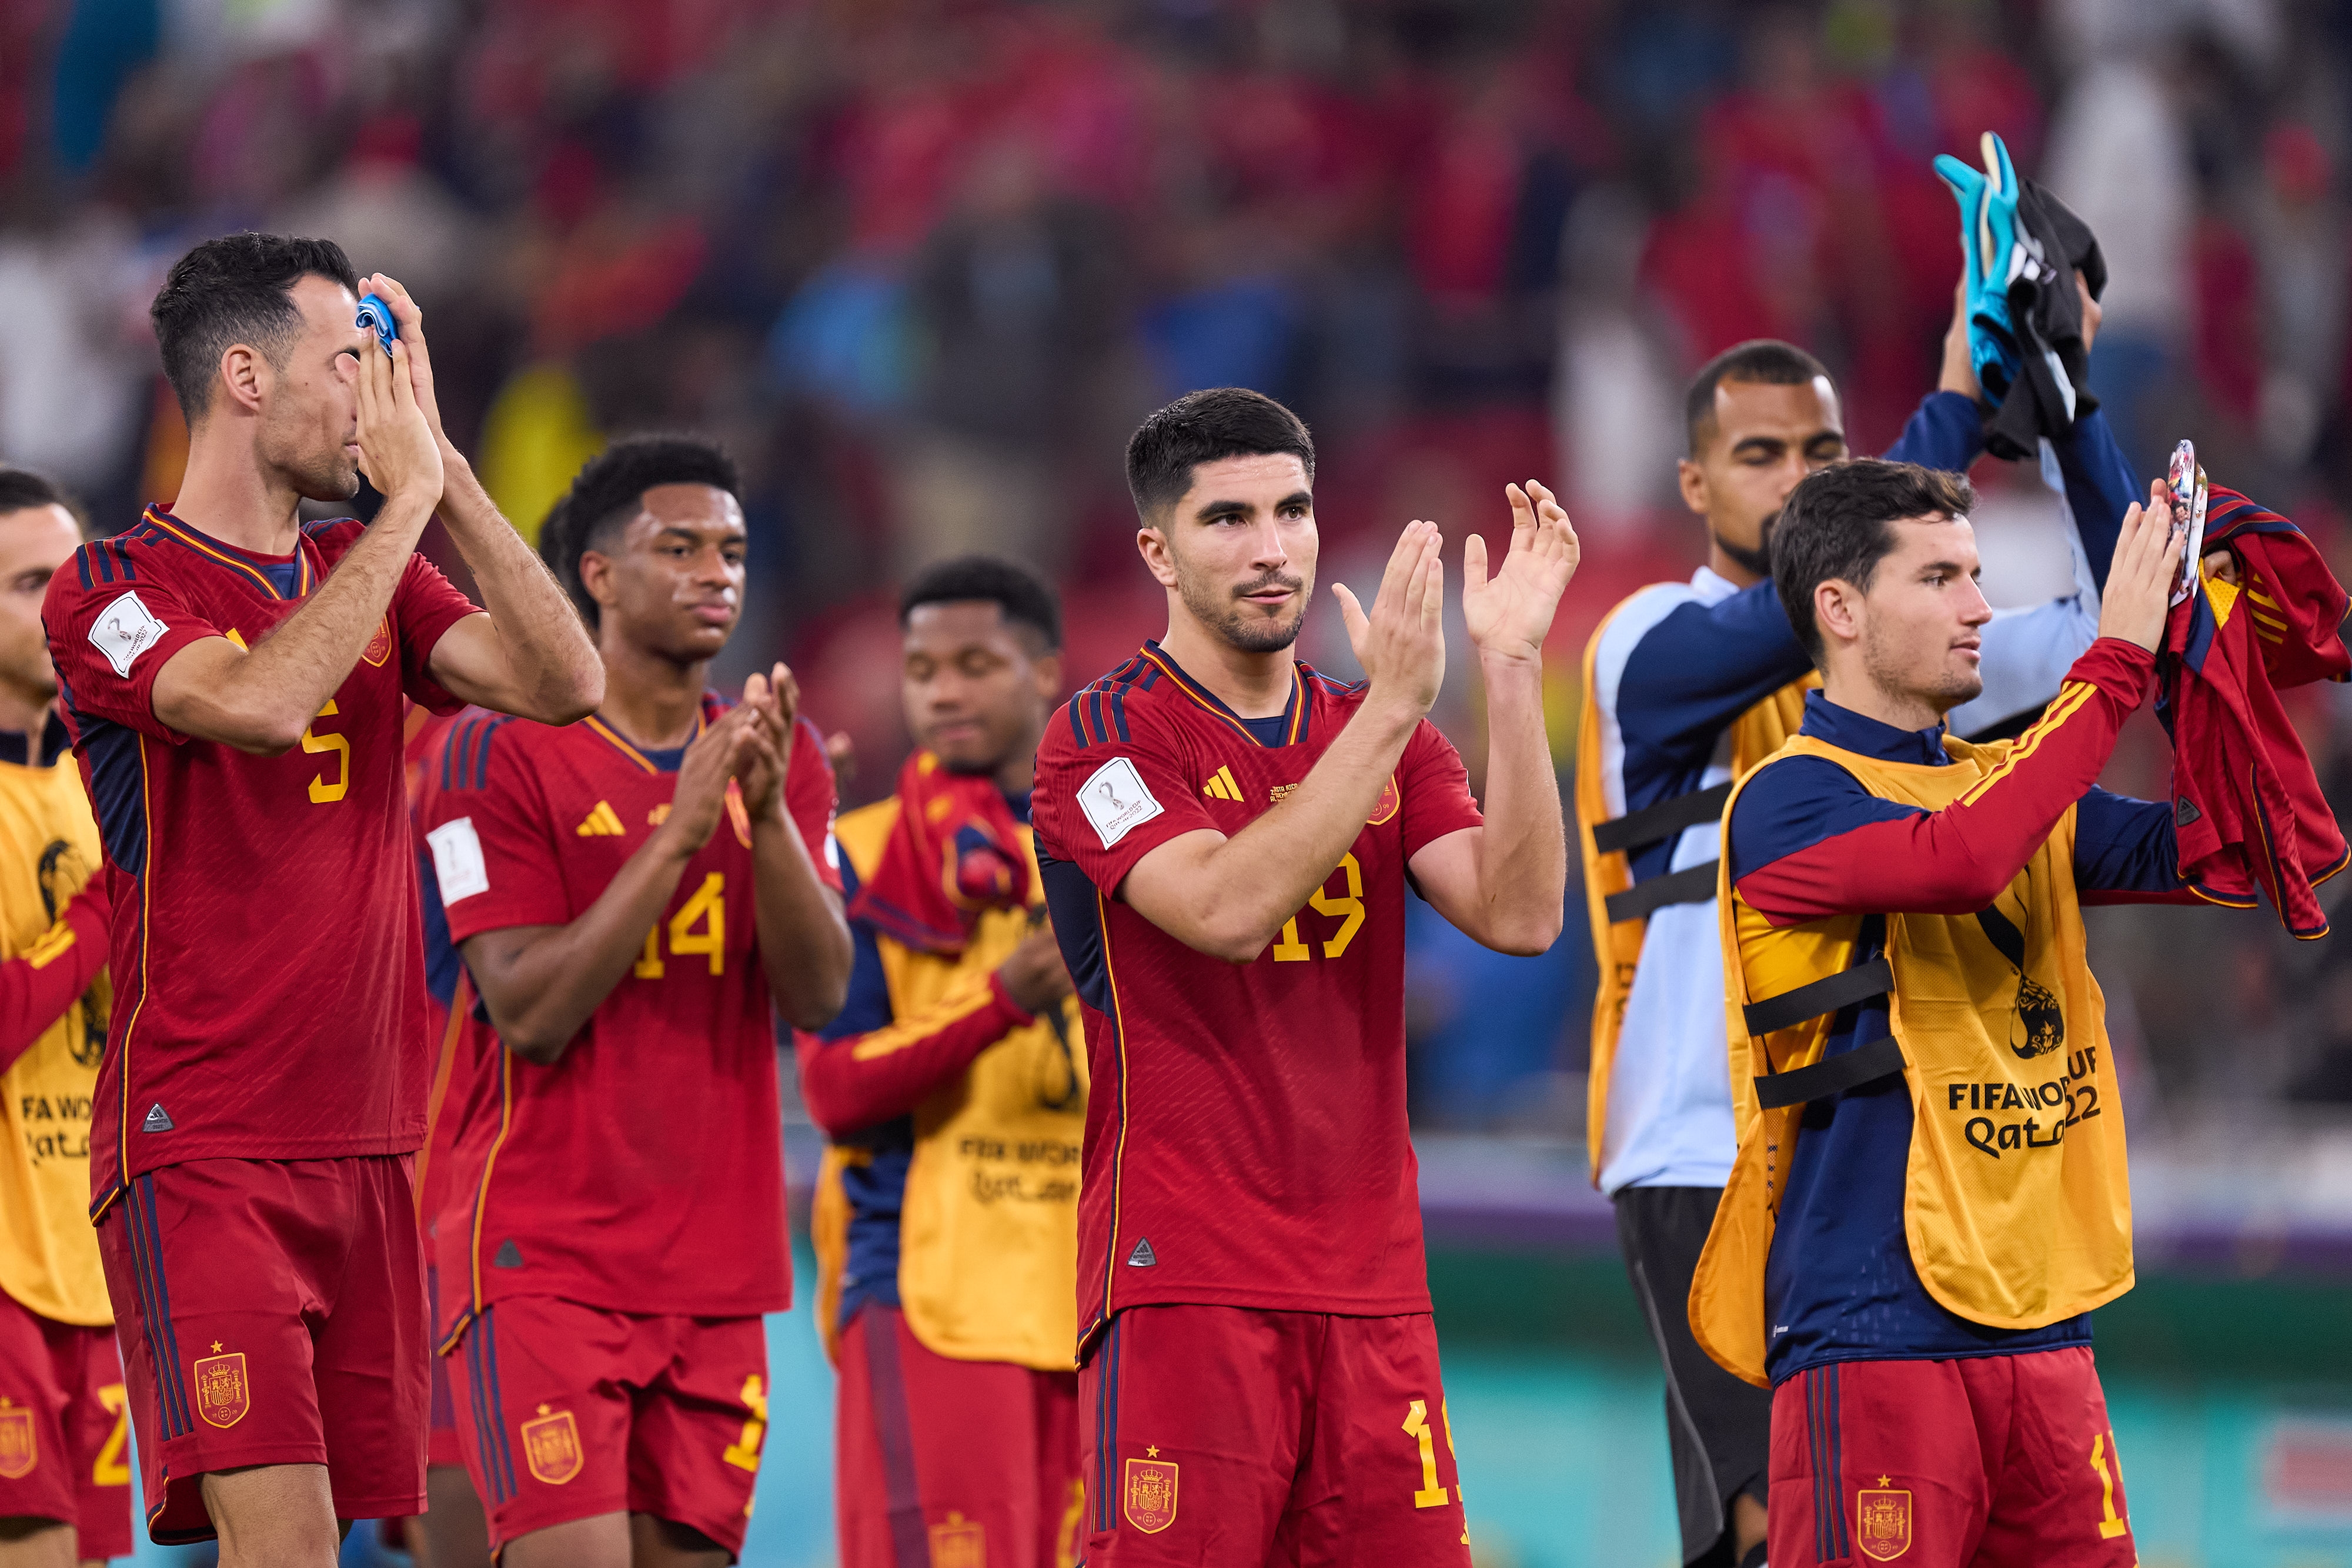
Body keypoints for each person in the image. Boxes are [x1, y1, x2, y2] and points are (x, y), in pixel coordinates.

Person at [39, 235, 602, 1560]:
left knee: (353, 1543)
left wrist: (444, 470)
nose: (373, 401)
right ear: (244, 375)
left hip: (365, 1141)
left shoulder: (381, 569)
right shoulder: (112, 583)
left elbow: (568, 680)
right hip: (205, 1140)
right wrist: (399, 508)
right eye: (351, 366)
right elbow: (257, 701)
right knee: (281, 1550)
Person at [1576, 284, 2137, 1568]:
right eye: (1755, 454)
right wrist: (1946, 406)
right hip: (1697, 1139)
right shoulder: (1645, 644)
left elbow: (2125, 616)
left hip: (1879, 1155)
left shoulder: (1926, 641)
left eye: (1819, 452)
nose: (1788, 477)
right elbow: (1812, 586)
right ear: (1690, 482)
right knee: (1764, 1526)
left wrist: (2060, 401)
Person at [1692, 458, 2272, 1566]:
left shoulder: (2005, 778)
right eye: (1943, 579)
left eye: (1978, 575)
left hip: (2046, 1324)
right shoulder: (1786, 797)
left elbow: (2225, 849)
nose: (1980, 607)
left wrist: (2205, 654)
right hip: (1874, 1329)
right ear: (1842, 610)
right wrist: (2112, 663)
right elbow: (1961, 859)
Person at [1030, 387, 1576, 1564]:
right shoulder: (1099, 738)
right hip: (1184, 1281)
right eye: (1227, 518)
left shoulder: (1386, 729)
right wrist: (1389, 711)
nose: (1270, 547)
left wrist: (1513, 669)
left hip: (1374, 1290)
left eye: (1291, 509)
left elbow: (1523, 912)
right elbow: (1221, 907)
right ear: (1156, 550)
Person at [416, 436, 852, 1567]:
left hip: (716, 1272)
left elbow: (819, 995)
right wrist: (680, 836)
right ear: (598, 576)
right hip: (542, 1258)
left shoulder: (779, 751)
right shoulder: (492, 750)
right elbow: (528, 1010)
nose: (719, 572)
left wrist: (767, 816)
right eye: (681, 547)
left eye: (734, 551)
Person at [798, 554, 1087, 1568]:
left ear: (1046, 673)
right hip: (930, 1294)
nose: (944, 691)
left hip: (1097, 1300)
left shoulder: (1122, 856)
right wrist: (1006, 1000)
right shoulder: (858, 855)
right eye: (922, 670)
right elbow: (834, 1089)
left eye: (975, 663)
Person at [0, 470, 128, 1568]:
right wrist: (105, 907)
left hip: (92, 1254)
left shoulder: (105, 784)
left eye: (71, 580)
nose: (58, 609)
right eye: (27, 583)